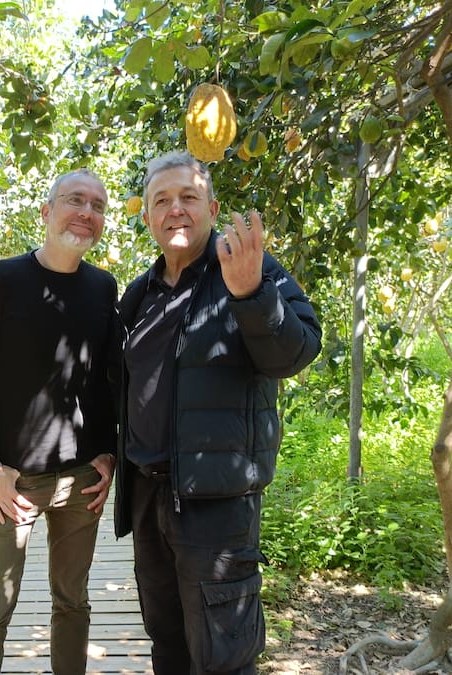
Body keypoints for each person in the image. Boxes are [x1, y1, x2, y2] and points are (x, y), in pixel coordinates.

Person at [114, 151, 322, 675]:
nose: (176, 209)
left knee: (224, 655)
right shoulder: (139, 293)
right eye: (162, 200)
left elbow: (295, 353)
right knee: (168, 642)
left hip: (216, 505)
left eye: (188, 197)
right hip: (148, 496)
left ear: (212, 205)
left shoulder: (247, 268)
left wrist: (252, 294)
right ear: (147, 217)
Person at [0, 168, 119, 675]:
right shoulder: (0, 281)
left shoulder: (103, 288)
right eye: (75, 200)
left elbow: (107, 380)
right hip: (12, 482)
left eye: (98, 206)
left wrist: (107, 454)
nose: (87, 213)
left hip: (82, 481)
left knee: (73, 601)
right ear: (46, 212)